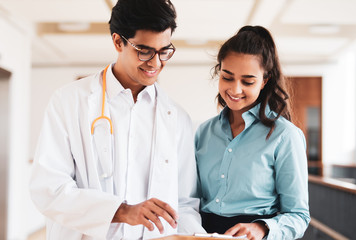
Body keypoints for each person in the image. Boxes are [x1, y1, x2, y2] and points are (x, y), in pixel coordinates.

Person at [29, 0, 204, 239]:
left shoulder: (177, 118)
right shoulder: (69, 101)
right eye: (144, 51)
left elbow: (184, 204)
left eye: (164, 51)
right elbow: (49, 189)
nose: (155, 62)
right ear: (118, 41)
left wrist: (197, 235)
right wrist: (121, 211)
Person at [195, 25, 310, 240]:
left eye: (247, 81)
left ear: (264, 81)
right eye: (227, 77)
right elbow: (190, 200)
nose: (235, 89)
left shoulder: (285, 136)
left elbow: (298, 216)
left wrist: (262, 228)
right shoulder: (203, 132)